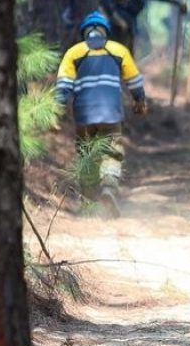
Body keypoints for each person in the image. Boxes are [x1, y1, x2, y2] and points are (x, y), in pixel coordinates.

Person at [55, 11, 147, 217]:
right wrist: (140, 101)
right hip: (111, 113)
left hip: (84, 115)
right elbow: (134, 80)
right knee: (111, 151)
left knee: (86, 154)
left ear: (84, 32)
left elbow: (63, 86)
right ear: (105, 31)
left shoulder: (74, 52)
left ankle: (88, 205)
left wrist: (56, 110)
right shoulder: (119, 50)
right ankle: (108, 187)